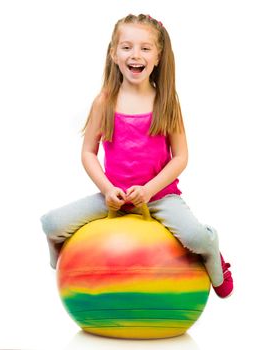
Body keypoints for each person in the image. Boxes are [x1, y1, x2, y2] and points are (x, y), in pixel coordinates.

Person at [40, 14, 233, 298]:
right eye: (127, 47)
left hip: (160, 197)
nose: (135, 55)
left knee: (196, 238)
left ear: (158, 56)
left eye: (145, 48)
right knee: (51, 224)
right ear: (114, 53)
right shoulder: (104, 100)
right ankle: (65, 260)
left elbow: (181, 157)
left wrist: (149, 189)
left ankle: (216, 258)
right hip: (113, 198)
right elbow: (88, 153)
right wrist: (107, 189)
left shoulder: (165, 101)